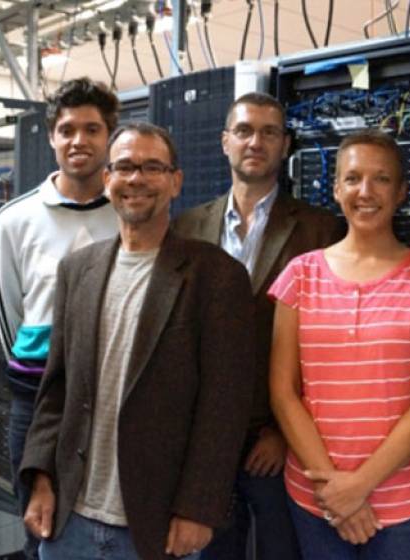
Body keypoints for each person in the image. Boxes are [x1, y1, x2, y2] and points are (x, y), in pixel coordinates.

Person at [19, 123, 254, 560]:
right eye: (124, 167)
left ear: (175, 181)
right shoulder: (77, 271)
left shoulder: (216, 276)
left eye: (152, 167)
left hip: (158, 523)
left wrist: (198, 509)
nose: (136, 179)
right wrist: (41, 480)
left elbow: (225, 407)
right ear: (107, 179)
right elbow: (57, 391)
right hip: (69, 519)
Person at [269, 130, 410, 559]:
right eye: (352, 179)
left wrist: (360, 485)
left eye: (382, 179)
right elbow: (283, 392)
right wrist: (334, 490)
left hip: (408, 501)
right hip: (317, 498)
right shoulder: (300, 275)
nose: (365, 191)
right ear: (335, 189)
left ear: (402, 192)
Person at [173, 92, 342, 560]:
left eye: (269, 132)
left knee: (281, 551)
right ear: (225, 141)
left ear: (285, 145)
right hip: (205, 438)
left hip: (275, 438)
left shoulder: (319, 230)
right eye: (244, 131)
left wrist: (282, 430)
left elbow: (326, 346)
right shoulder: (186, 227)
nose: (256, 142)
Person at [0, 77, 120, 559]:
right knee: (40, 527)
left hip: (115, 399)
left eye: (92, 129)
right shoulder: (15, 219)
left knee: (113, 526)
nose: (79, 141)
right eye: (67, 130)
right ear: (51, 137)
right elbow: (9, 315)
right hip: (39, 401)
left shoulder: (131, 212)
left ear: (110, 136)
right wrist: (42, 379)